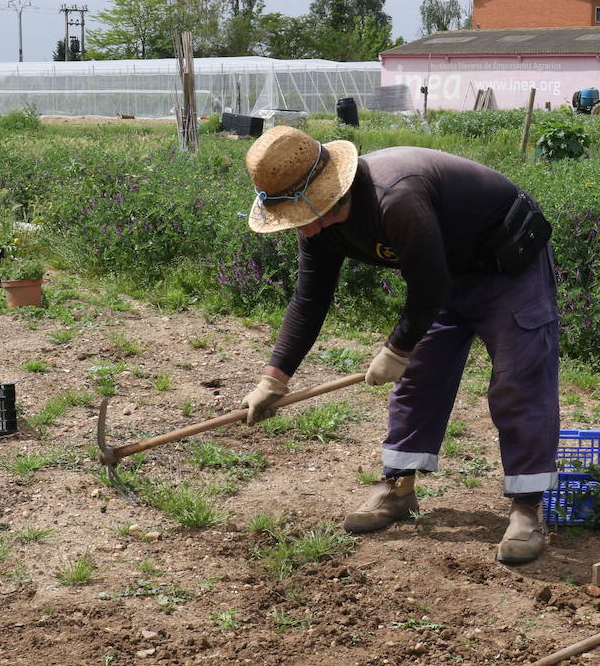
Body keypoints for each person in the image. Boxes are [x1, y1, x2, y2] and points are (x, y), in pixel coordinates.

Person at [238, 126, 559, 565]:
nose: (300, 228)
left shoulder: (395, 196)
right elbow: (310, 301)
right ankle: (398, 489)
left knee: (519, 380)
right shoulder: (318, 230)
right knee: (420, 376)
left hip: (506, 261)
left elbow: (430, 288)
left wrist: (395, 350)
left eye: (299, 214)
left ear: (324, 197)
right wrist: (273, 378)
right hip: (443, 268)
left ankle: (527, 509)